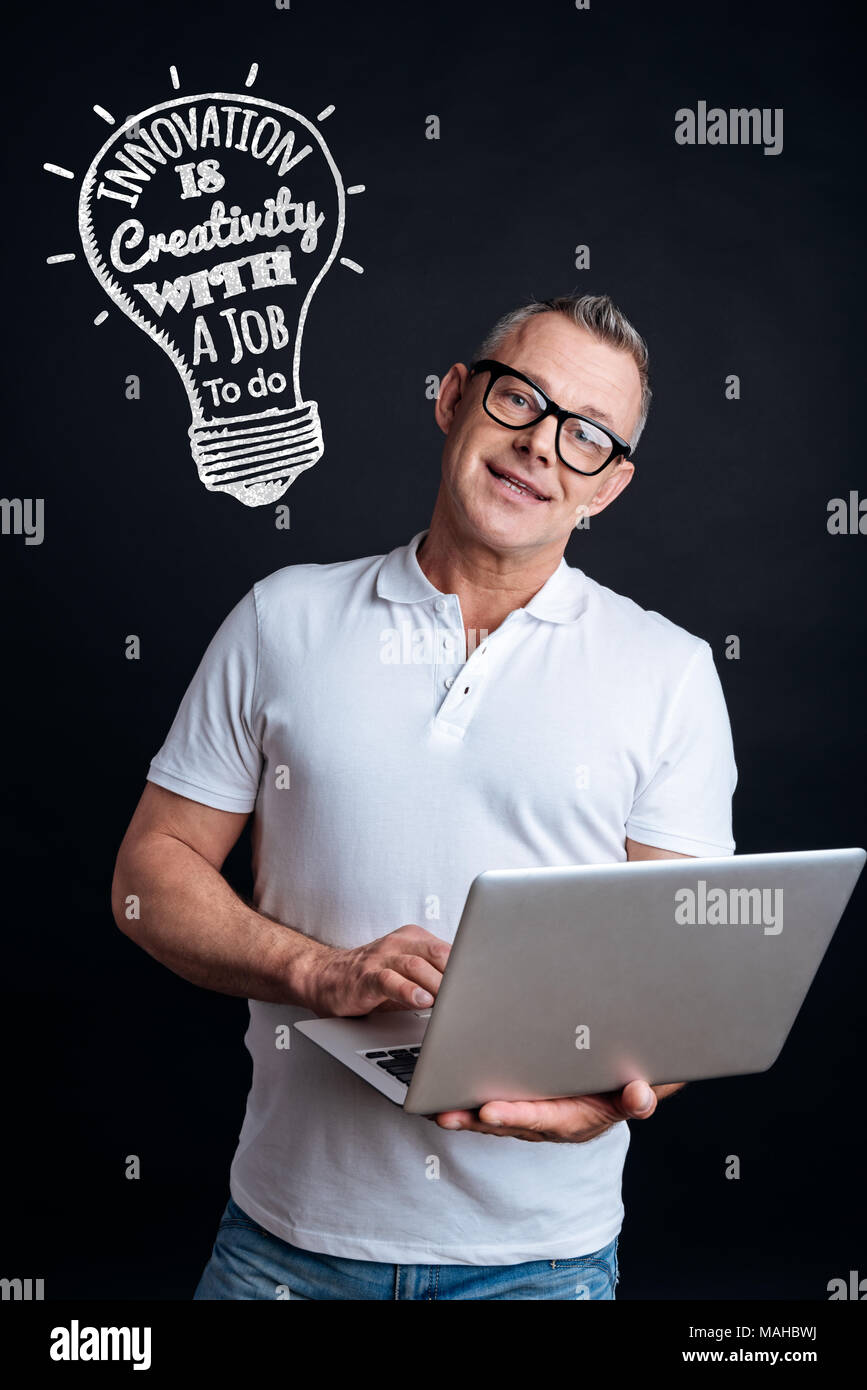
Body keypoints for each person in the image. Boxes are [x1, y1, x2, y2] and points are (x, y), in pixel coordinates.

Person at [111, 293, 737, 1300]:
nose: (540, 446)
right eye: (519, 399)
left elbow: (689, 973)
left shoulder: (669, 672)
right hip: (283, 1244)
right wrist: (318, 972)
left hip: (541, 1265)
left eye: (584, 436)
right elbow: (150, 873)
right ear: (454, 398)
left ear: (609, 485)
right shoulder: (283, 618)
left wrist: (616, 1100)